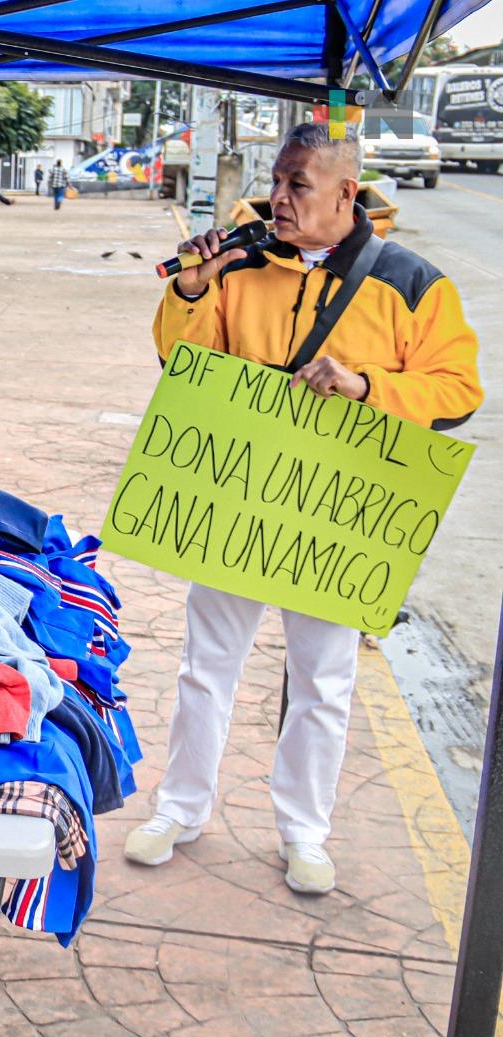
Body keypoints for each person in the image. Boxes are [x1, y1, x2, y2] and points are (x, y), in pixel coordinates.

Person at [127, 123, 483, 894]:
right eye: (276, 181)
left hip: (337, 516)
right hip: (239, 496)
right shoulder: (243, 266)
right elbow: (184, 365)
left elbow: (459, 391)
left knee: (323, 680)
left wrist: (366, 386)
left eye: (298, 185)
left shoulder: (414, 284)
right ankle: (180, 809)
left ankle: (304, 832)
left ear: (346, 193)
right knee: (206, 665)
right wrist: (192, 290)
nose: (279, 198)